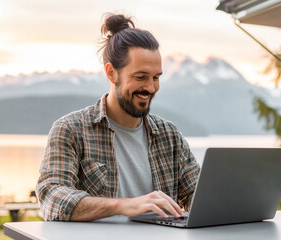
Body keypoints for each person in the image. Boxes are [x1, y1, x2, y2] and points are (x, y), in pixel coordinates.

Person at [35, 13, 200, 222]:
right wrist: (125, 205)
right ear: (111, 73)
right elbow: (52, 198)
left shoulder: (170, 136)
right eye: (140, 77)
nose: (150, 87)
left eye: (156, 77)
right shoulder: (70, 129)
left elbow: (199, 196)